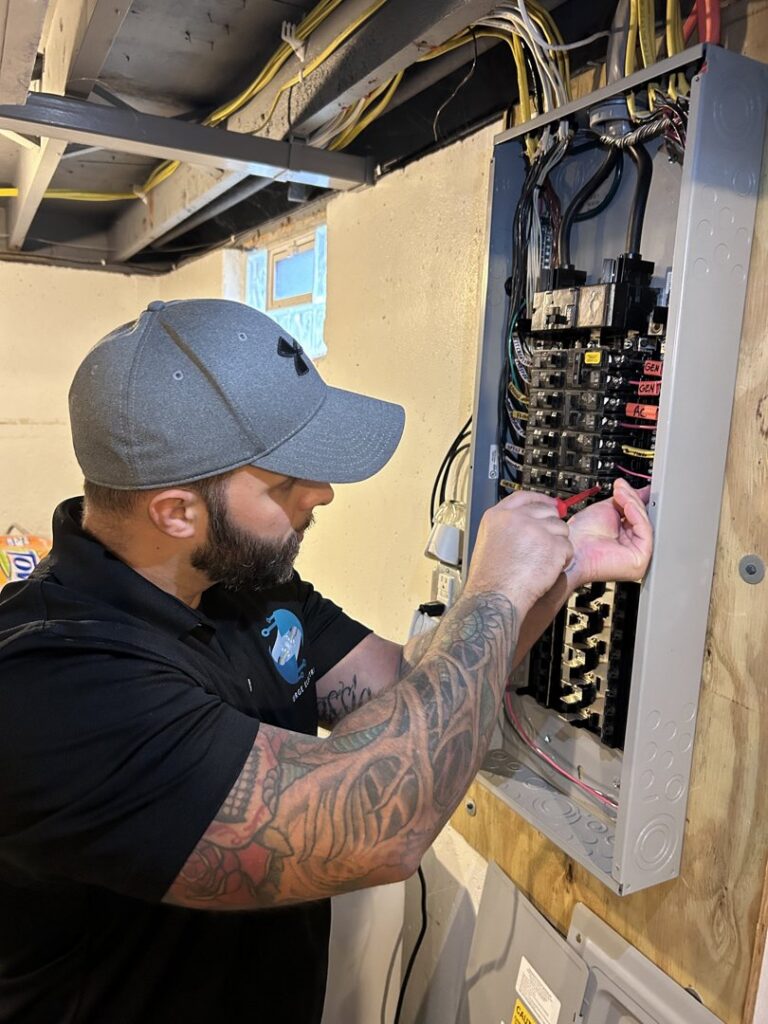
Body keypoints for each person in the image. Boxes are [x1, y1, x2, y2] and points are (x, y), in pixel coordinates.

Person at [0, 299, 653, 1024]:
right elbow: (380, 827)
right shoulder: (52, 684)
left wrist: (559, 570)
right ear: (176, 512)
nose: (324, 493)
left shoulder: (242, 585)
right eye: (285, 484)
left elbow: (409, 690)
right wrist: (495, 590)